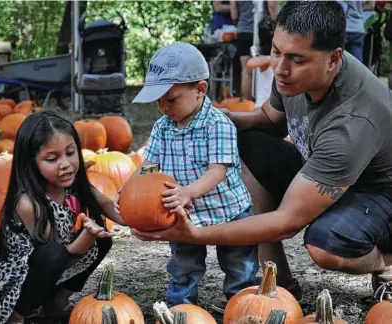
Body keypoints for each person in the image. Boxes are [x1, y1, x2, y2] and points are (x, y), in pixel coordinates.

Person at [132, 1, 392, 302]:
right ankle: (278, 280)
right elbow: (270, 118)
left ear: (334, 59)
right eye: (277, 51)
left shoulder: (351, 122)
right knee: (242, 140)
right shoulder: (298, 71)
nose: (280, 69)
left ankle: (385, 260)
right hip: (332, 172)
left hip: (379, 195)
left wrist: (195, 235)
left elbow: (286, 222)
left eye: (296, 59)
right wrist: (222, 118)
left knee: (326, 243)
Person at [131, 43, 259, 306]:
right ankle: (182, 307)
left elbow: (217, 171)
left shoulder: (218, 124)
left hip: (229, 211)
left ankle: (243, 303)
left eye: (170, 99)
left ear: (200, 90)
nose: (164, 107)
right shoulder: (162, 127)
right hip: (184, 211)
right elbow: (148, 166)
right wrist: (128, 188)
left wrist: (187, 191)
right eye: (158, 101)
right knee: (183, 265)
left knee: (239, 265)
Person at [0, 110, 126, 324]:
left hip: (52, 263)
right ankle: (16, 316)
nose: (65, 164)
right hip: (18, 280)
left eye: (71, 153)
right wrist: (88, 235)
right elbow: (62, 256)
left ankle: (56, 302)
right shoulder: (28, 204)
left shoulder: (75, 186)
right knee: (55, 254)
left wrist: (145, 214)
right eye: (52, 159)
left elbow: (111, 207)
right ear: (31, 162)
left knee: (102, 239)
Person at [230, 1, 278, 100]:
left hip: (243, 31)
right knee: (268, 67)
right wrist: (276, 24)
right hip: (262, 31)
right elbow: (272, 5)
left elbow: (234, 15)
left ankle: (247, 104)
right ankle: (268, 100)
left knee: (246, 71)